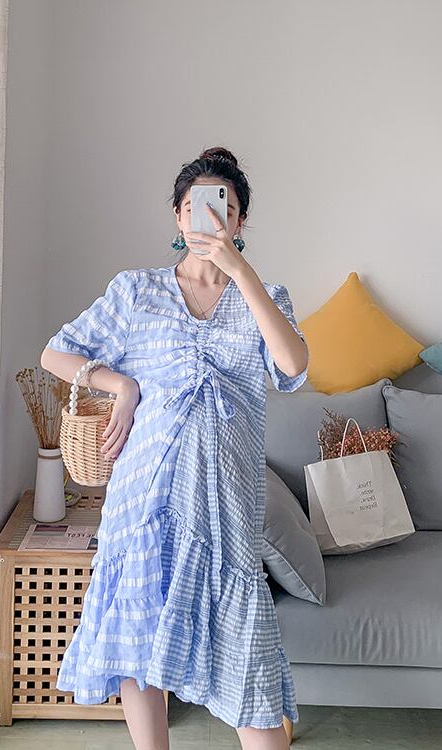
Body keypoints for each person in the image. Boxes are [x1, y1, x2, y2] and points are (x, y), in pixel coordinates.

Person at [40, 146, 309, 750]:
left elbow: (293, 365)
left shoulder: (264, 295)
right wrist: (122, 385)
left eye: (224, 208)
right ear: (177, 216)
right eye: (194, 207)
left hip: (226, 507)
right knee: (137, 646)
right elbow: (56, 352)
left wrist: (241, 272)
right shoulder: (137, 292)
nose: (207, 218)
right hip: (143, 501)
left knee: (246, 660)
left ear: (240, 221)